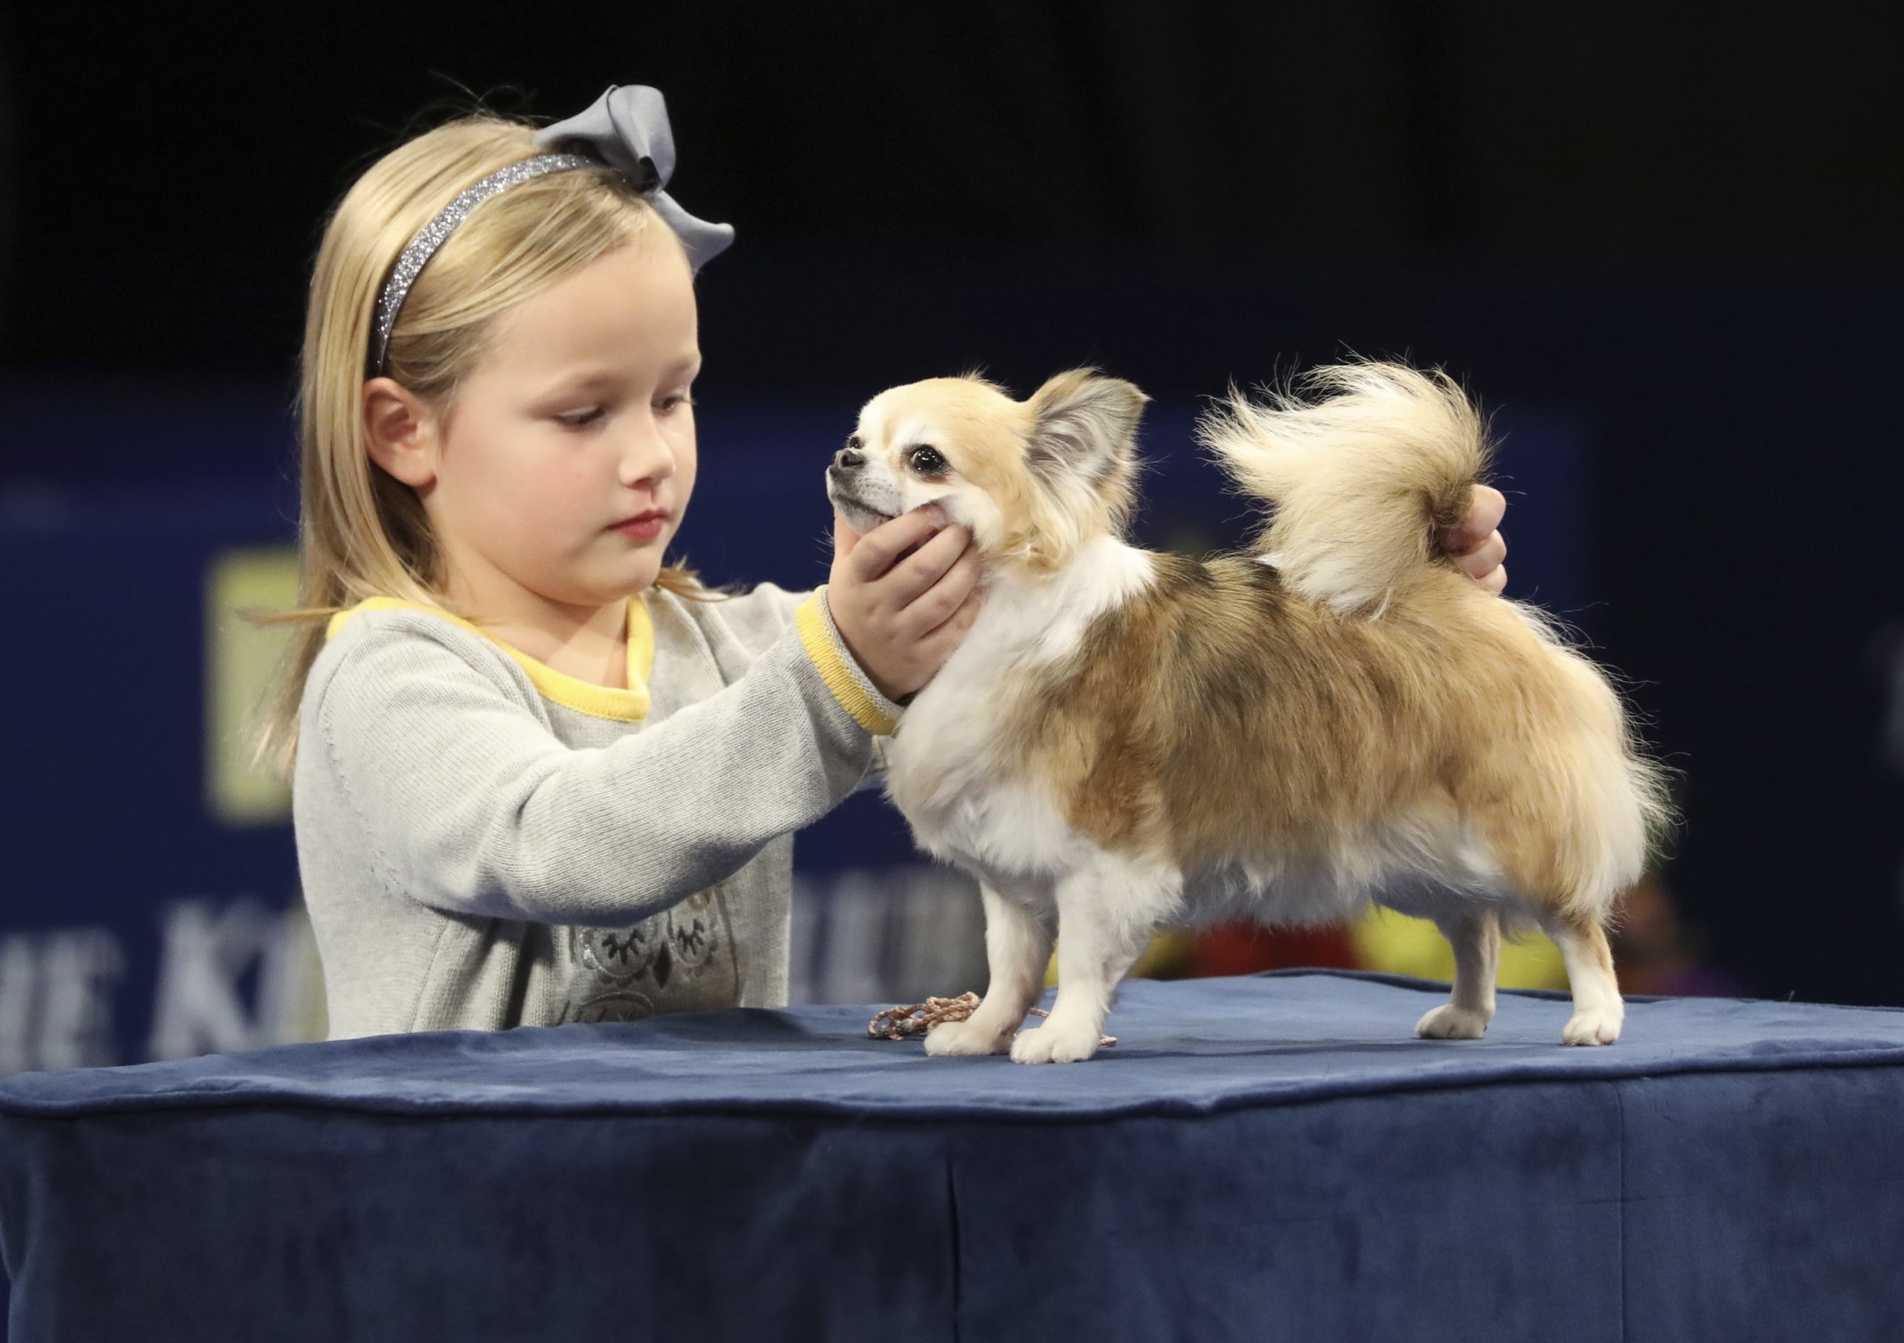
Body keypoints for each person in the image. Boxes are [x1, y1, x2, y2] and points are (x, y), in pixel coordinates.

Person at [259, 84, 1512, 1039]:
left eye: (675, 397)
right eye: (585, 414)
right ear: (401, 430)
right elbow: (553, 843)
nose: (648, 456)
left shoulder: (727, 646)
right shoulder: (388, 674)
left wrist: (1374, 618)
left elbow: (1097, 676)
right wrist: (839, 672)